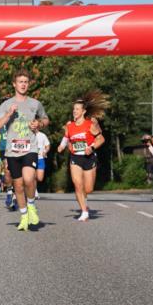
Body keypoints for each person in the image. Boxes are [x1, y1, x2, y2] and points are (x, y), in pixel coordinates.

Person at [0, 70, 50, 231]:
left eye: (26, 81)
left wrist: (39, 124)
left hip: (30, 147)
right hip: (12, 150)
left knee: (29, 179)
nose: (23, 84)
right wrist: (8, 115)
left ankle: (31, 205)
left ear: (28, 84)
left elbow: (46, 119)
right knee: (17, 185)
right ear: (14, 84)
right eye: (20, 82)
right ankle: (24, 215)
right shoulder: (6, 105)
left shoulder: (35, 103)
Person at [57, 91, 109, 221]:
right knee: (77, 184)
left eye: (77, 109)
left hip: (89, 158)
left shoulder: (90, 125)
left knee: (88, 188)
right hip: (75, 158)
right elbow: (66, 137)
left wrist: (91, 148)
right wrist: (62, 146)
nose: (74, 111)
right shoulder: (70, 126)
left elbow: (101, 139)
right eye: (74, 109)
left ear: (83, 111)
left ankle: (85, 200)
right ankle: (84, 211)